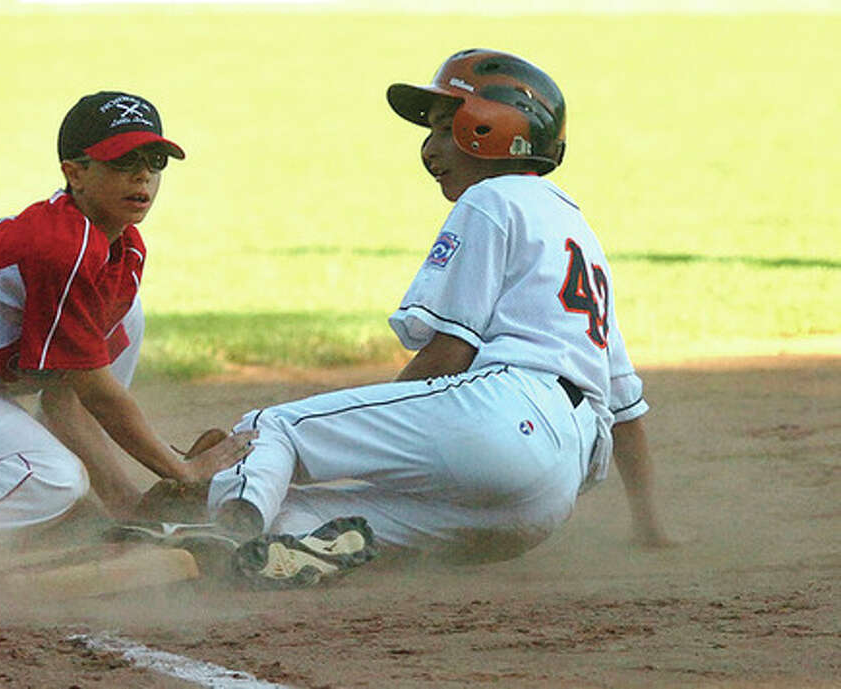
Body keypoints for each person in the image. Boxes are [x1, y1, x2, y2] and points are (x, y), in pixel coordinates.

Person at [112, 50, 674, 588]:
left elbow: (450, 352)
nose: (428, 149)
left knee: (272, 431)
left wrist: (381, 439)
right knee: (313, 513)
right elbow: (625, 411)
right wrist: (650, 528)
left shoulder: (491, 199)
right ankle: (246, 544)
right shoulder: (581, 235)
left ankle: (227, 525)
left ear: (487, 127)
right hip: (549, 499)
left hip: (508, 415)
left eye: (439, 128)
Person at [0, 90, 254, 554]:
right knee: (53, 477)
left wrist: (126, 505)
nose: (143, 175)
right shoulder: (62, 249)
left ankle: (69, 513)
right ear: (74, 173)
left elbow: (64, 403)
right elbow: (97, 394)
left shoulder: (121, 248)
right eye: (121, 161)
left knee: (124, 316)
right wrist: (182, 471)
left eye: (155, 160)